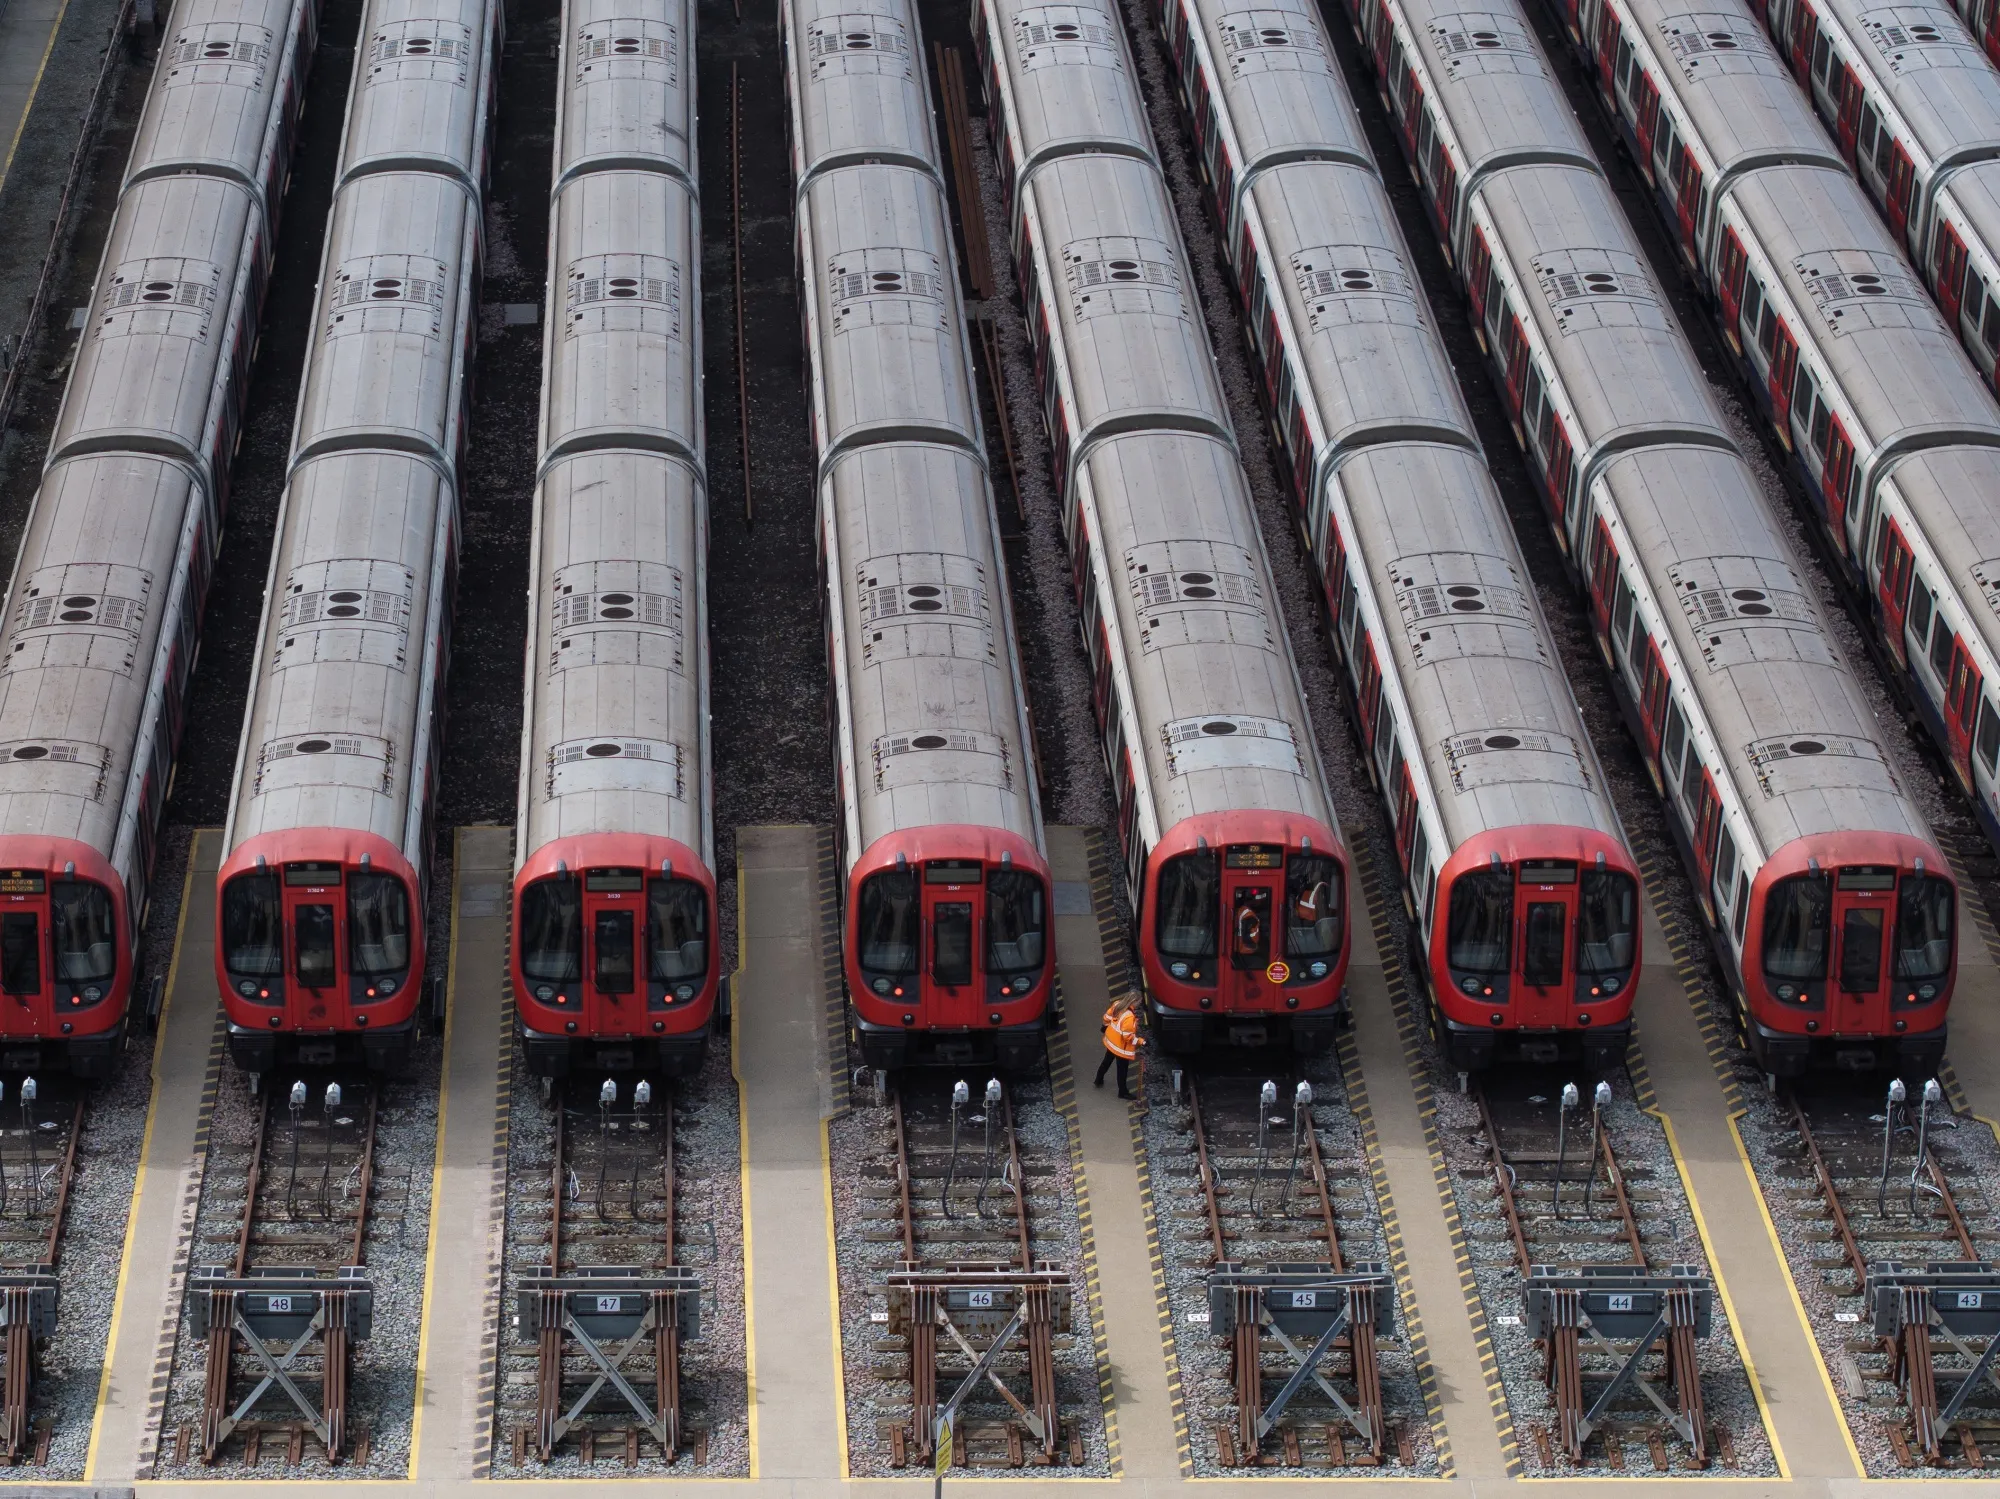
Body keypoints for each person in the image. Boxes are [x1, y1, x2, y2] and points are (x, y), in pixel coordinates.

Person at [1094, 993, 1144, 1099]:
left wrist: (1107, 1026)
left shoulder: (1117, 1004)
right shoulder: (1129, 1017)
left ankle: (1098, 1080)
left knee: (1106, 1061)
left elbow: (1107, 1017)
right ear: (1134, 1001)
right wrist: (1140, 1041)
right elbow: (1128, 1037)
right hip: (1121, 1048)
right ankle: (1123, 1092)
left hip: (1111, 1042)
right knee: (1122, 1070)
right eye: (1139, 1002)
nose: (1139, 1004)